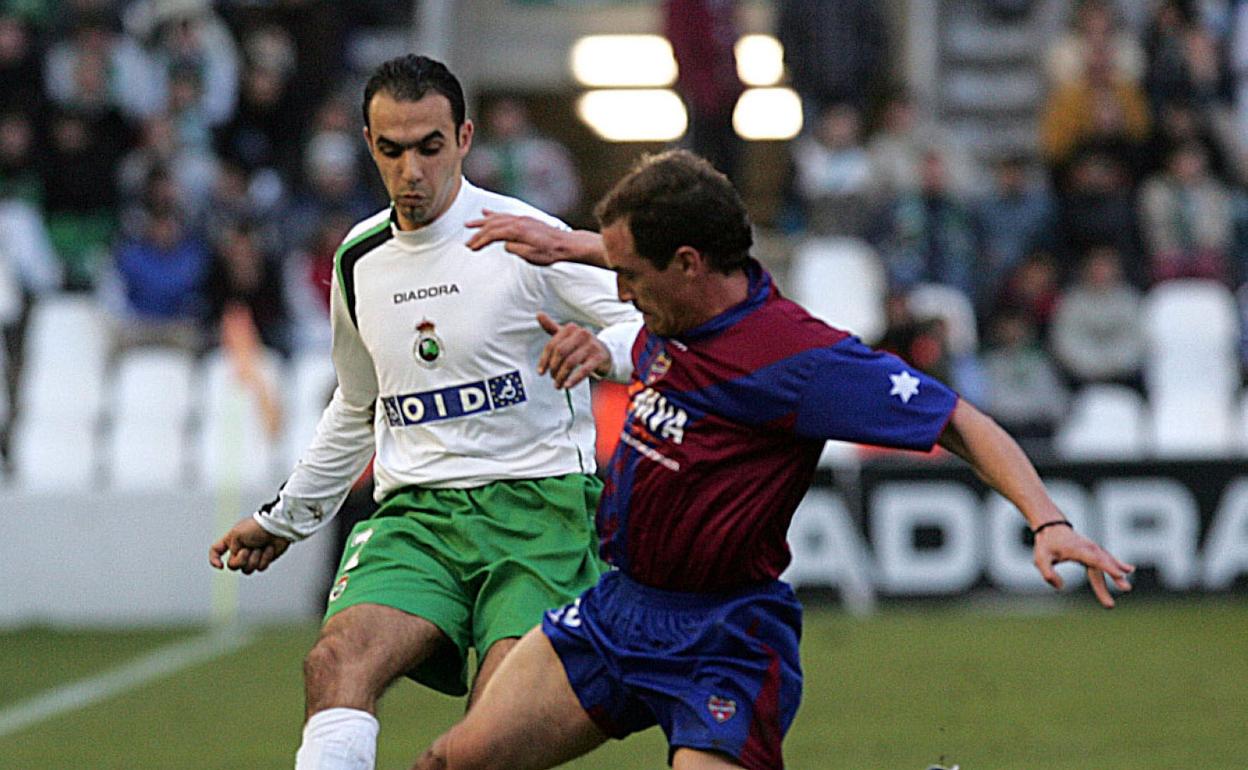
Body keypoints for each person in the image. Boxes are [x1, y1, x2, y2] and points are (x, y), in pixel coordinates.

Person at [414, 149, 1135, 770]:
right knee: (454, 760)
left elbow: (962, 422)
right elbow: (628, 276)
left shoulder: (798, 358)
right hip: (619, 607)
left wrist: (1047, 521)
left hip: (720, 638)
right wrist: (569, 247)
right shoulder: (677, 307)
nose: (619, 292)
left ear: (689, 264)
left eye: (628, 274)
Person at [208, 54, 640, 770]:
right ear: (370, 147)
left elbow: (654, 317)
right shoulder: (359, 260)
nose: (412, 169)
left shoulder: (526, 236)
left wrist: (604, 349)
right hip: (419, 518)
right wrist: (284, 517)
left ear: (464, 138)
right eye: (392, 149)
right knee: (336, 660)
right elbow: (357, 405)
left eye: (429, 147)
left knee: (489, 739)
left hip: (540, 513)